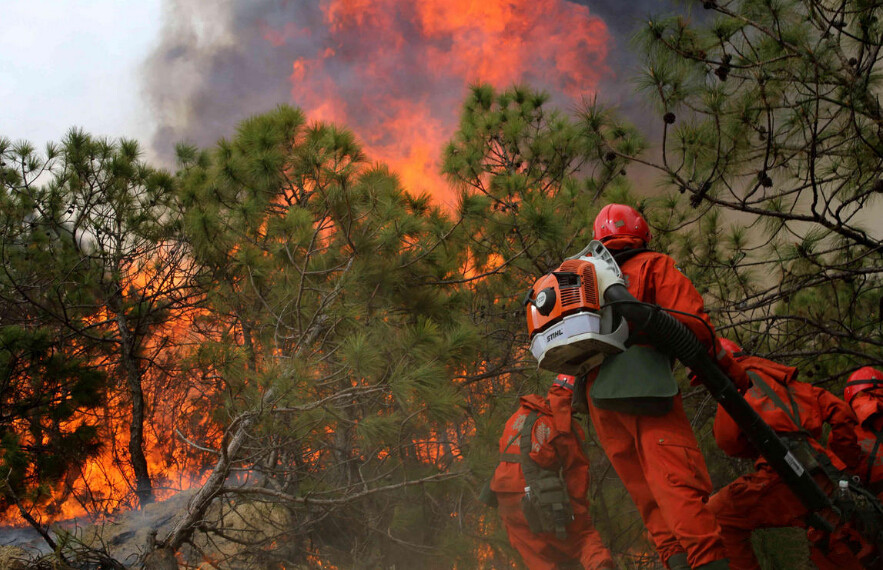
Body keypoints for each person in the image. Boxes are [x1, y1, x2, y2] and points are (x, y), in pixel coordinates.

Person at [583, 203, 736, 570]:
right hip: (644, 389)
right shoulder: (654, 265)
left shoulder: (585, 276)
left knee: (650, 501)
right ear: (642, 233)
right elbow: (694, 326)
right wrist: (732, 372)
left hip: (598, 400)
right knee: (678, 489)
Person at [706, 339, 865, 570]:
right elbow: (841, 413)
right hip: (823, 467)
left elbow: (727, 441)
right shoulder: (787, 380)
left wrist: (756, 451)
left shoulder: (733, 386)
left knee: (717, 516)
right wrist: (846, 465)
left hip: (782, 474)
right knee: (837, 538)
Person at [489, 374, 616, 569]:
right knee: (584, 538)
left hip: (504, 498)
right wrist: (578, 513)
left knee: (540, 558)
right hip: (536, 498)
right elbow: (577, 476)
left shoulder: (519, 414)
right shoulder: (561, 426)